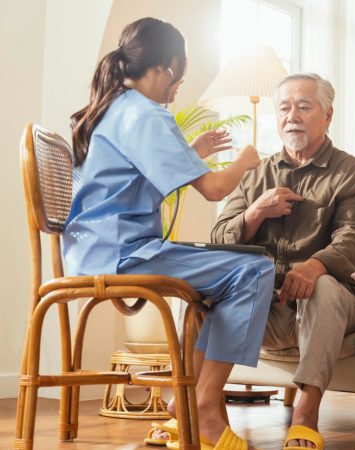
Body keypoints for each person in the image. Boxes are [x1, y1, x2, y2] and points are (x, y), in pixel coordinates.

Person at [64, 17, 275, 450]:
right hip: (125, 252)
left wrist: (192, 153)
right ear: (166, 65)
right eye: (180, 74)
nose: (179, 86)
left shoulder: (110, 107)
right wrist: (245, 161)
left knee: (225, 281)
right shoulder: (146, 114)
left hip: (90, 251)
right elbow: (214, 188)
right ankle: (205, 407)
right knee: (255, 270)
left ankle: (188, 403)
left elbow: (134, 178)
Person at [211, 72, 355, 450]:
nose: (293, 116)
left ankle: (305, 414)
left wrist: (314, 265)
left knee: (320, 284)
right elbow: (220, 236)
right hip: (264, 309)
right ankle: (202, 413)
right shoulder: (254, 174)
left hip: (331, 303)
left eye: (304, 107)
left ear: (327, 114)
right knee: (202, 284)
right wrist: (254, 213)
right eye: (285, 108)